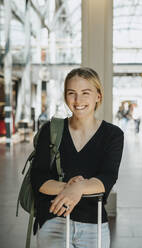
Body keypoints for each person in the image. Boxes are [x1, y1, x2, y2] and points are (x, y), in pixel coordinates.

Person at [30, 67, 124, 248]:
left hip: (93, 226)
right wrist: (71, 188)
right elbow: (39, 178)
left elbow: (107, 178)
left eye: (85, 93)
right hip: (53, 222)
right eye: (71, 93)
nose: (78, 100)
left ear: (98, 96)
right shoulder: (50, 131)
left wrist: (78, 188)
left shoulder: (113, 135)